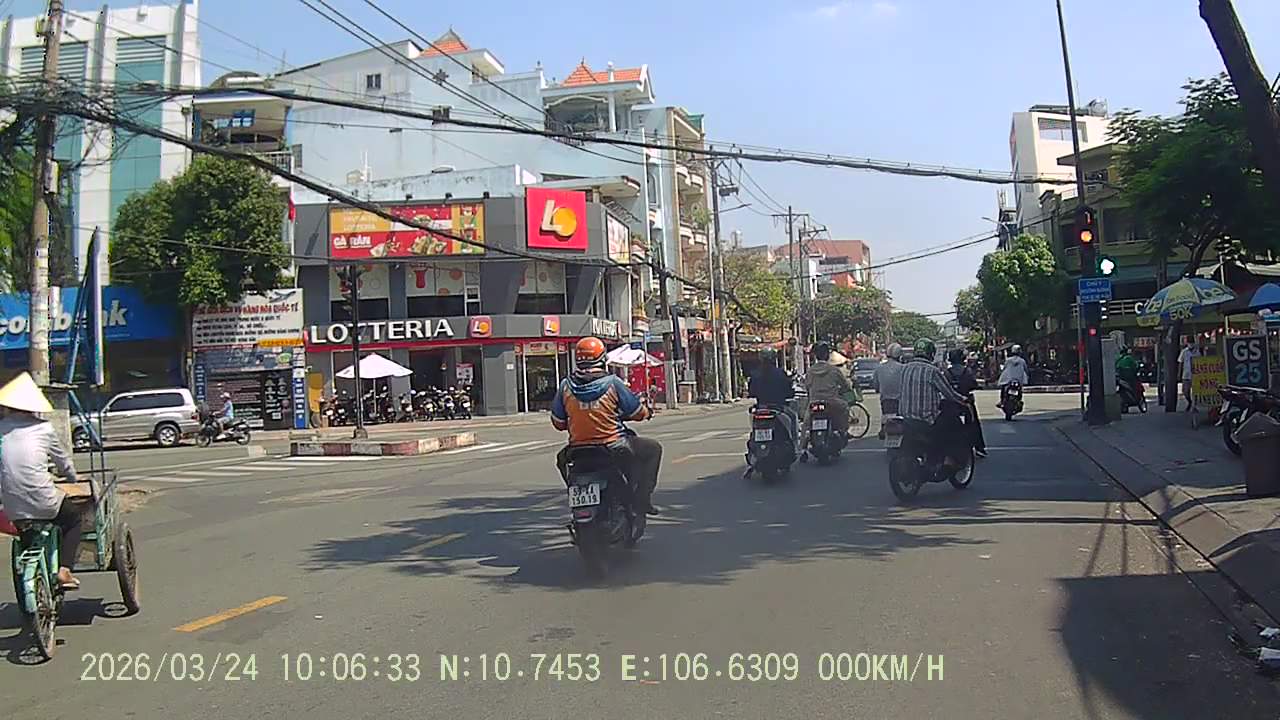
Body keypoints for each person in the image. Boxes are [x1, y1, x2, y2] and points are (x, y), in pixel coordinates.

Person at [552, 337, 662, 518]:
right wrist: (647, 412)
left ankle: (576, 491)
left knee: (561, 460)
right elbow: (636, 412)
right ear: (602, 358)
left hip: (578, 450)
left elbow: (558, 423)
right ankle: (642, 499)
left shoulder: (565, 386)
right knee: (653, 449)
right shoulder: (613, 383)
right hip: (613, 445)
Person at [0, 373, 84, 589]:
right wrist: (73, 478)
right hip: (43, 500)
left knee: (26, 531)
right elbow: (63, 462)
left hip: (11, 506)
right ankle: (64, 570)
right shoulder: (43, 428)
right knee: (74, 519)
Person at [899, 338, 970, 463]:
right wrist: (963, 399)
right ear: (931, 354)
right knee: (953, 423)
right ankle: (947, 459)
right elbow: (949, 394)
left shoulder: (904, 369)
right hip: (927, 420)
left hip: (907, 419)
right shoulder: (932, 371)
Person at [747, 347, 798, 450]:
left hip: (761, 407)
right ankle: (795, 446)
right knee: (793, 417)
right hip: (778, 407)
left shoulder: (755, 374)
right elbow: (788, 391)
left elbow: (751, 392)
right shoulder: (780, 373)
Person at [803, 342, 853, 445]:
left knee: (806, 424)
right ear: (827, 355)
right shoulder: (834, 370)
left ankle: (803, 445)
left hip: (814, 402)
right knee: (845, 408)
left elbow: (807, 387)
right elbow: (845, 385)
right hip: (832, 402)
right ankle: (843, 431)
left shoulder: (810, 371)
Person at [946, 348, 987, 458]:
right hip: (965, 402)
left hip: (951, 402)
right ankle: (979, 447)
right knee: (974, 423)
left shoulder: (947, 372)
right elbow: (973, 384)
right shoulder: (967, 371)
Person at [873, 343, 906, 417]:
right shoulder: (903, 368)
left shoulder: (879, 368)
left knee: (885, 420)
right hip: (900, 402)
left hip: (885, 402)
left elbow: (876, 386)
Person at [1178, 337, 1199, 412]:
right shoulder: (1184, 352)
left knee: (1195, 392)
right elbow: (1180, 363)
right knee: (1185, 391)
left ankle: (1194, 406)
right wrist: (1179, 374)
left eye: (1192, 342)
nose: (1191, 344)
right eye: (1189, 342)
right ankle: (1190, 402)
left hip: (1195, 375)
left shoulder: (1197, 352)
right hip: (1186, 375)